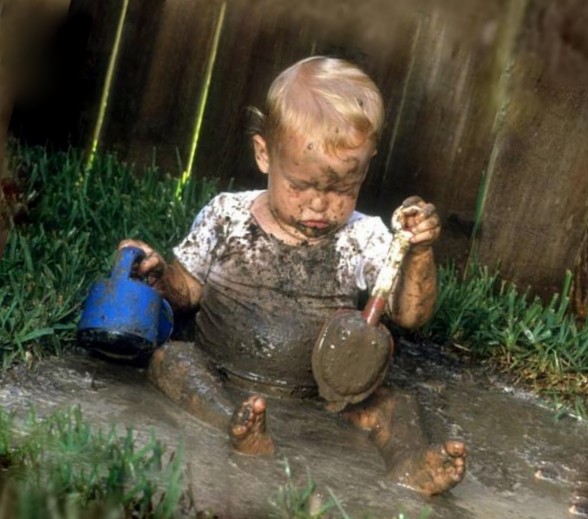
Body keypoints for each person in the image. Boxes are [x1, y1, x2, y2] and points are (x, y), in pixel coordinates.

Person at [120, 56, 466, 495]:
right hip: (223, 372)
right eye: (301, 186)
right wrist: (159, 277)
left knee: (395, 405)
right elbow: (187, 290)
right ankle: (236, 423)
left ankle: (408, 462)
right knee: (172, 360)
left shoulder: (362, 236)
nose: (320, 205)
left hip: (328, 396)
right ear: (264, 153)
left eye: (342, 189)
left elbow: (411, 315)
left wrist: (417, 253)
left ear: (366, 165)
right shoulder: (227, 216)